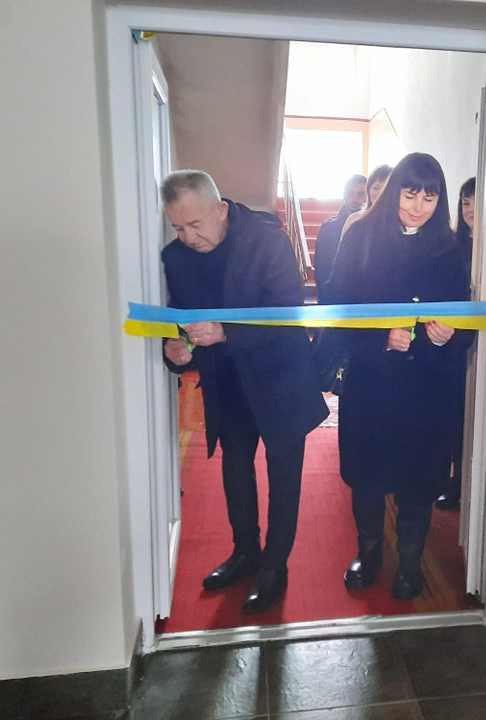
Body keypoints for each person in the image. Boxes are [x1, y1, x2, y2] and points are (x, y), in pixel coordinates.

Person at [159, 170, 328, 614]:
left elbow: (287, 312)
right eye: (178, 227)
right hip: (227, 381)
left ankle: (275, 566)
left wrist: (225, 332)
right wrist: (175, 348)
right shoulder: (175, 257)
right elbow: (179, 318)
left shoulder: (267, 240)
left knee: (284, 475)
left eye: (195, 225)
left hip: (279, 377)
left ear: (220, 210)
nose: (188, 237)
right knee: (235, 469)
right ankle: (245, 552)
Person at [324, 153, 472, 600]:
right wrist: (380, 340)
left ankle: (410, 561)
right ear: (394, 193)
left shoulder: (449, 249)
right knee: (367, 474)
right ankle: (368, 553)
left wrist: (447, 337)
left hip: (427, 388)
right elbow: (338, 310)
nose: (418, 207)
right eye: (410, 195)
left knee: (418, 478)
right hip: (372, 383)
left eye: (430, 197)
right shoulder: (361, 236)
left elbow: (465, 319)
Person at [436, 176, 476, 511]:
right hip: (452, 344)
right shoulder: (451, 246)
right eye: (465, 202)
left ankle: (466, 484)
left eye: (476, 202)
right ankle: (452, 482)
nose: (470, 209)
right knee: (453, 417)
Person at [313, 174, 366, 303]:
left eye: (360, 194)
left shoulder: (378, 226)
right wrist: (324, 295)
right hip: (334, 296)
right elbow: (321, 265)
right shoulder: (329, 226)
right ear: (344, 195)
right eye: (350, 193)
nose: (354, 198)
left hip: (367, 298)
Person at [339, 164, 392, 241]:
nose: (380, 193)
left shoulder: (403, 221)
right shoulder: (354, 220)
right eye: (376, 188)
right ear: (368, 190)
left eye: (386, 188)